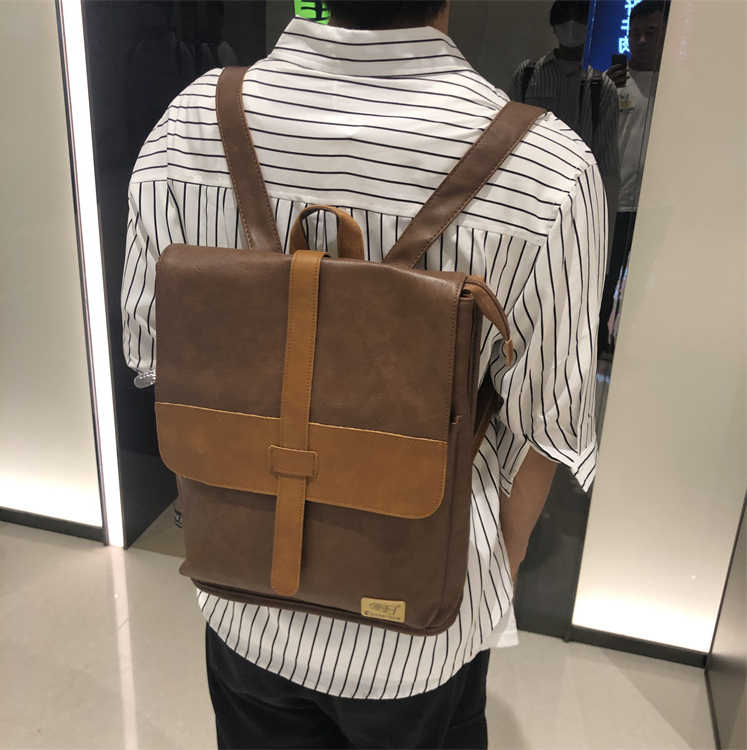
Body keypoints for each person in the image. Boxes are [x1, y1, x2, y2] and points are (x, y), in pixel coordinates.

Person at [121, 2, 606, 747]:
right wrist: (489, 578)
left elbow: (155, 356)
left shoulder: (190, 124)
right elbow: (550, 429)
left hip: (242, 598)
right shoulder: (549, 170)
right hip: (421, 627)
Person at [598, 0, 669, 355]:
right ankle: (598, 338)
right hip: (617, 199)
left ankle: (628, 341)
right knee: (606, 275)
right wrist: (604, 93)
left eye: (650, 32)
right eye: (635, 32)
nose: (641, 40)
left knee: (643, 277)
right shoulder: (613, 82)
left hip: (658, 202)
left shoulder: (678, 83)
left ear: (666, 33)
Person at [509, 0, 619, 219]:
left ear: (590, 24)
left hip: (575, 191)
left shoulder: (601, 86)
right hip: (527, 182)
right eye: (564, 18)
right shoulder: (527, 74)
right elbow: (510, 134)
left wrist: (603, 211)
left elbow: (606, 157)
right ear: (554, 25)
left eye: (579, 18)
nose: (571, 24)